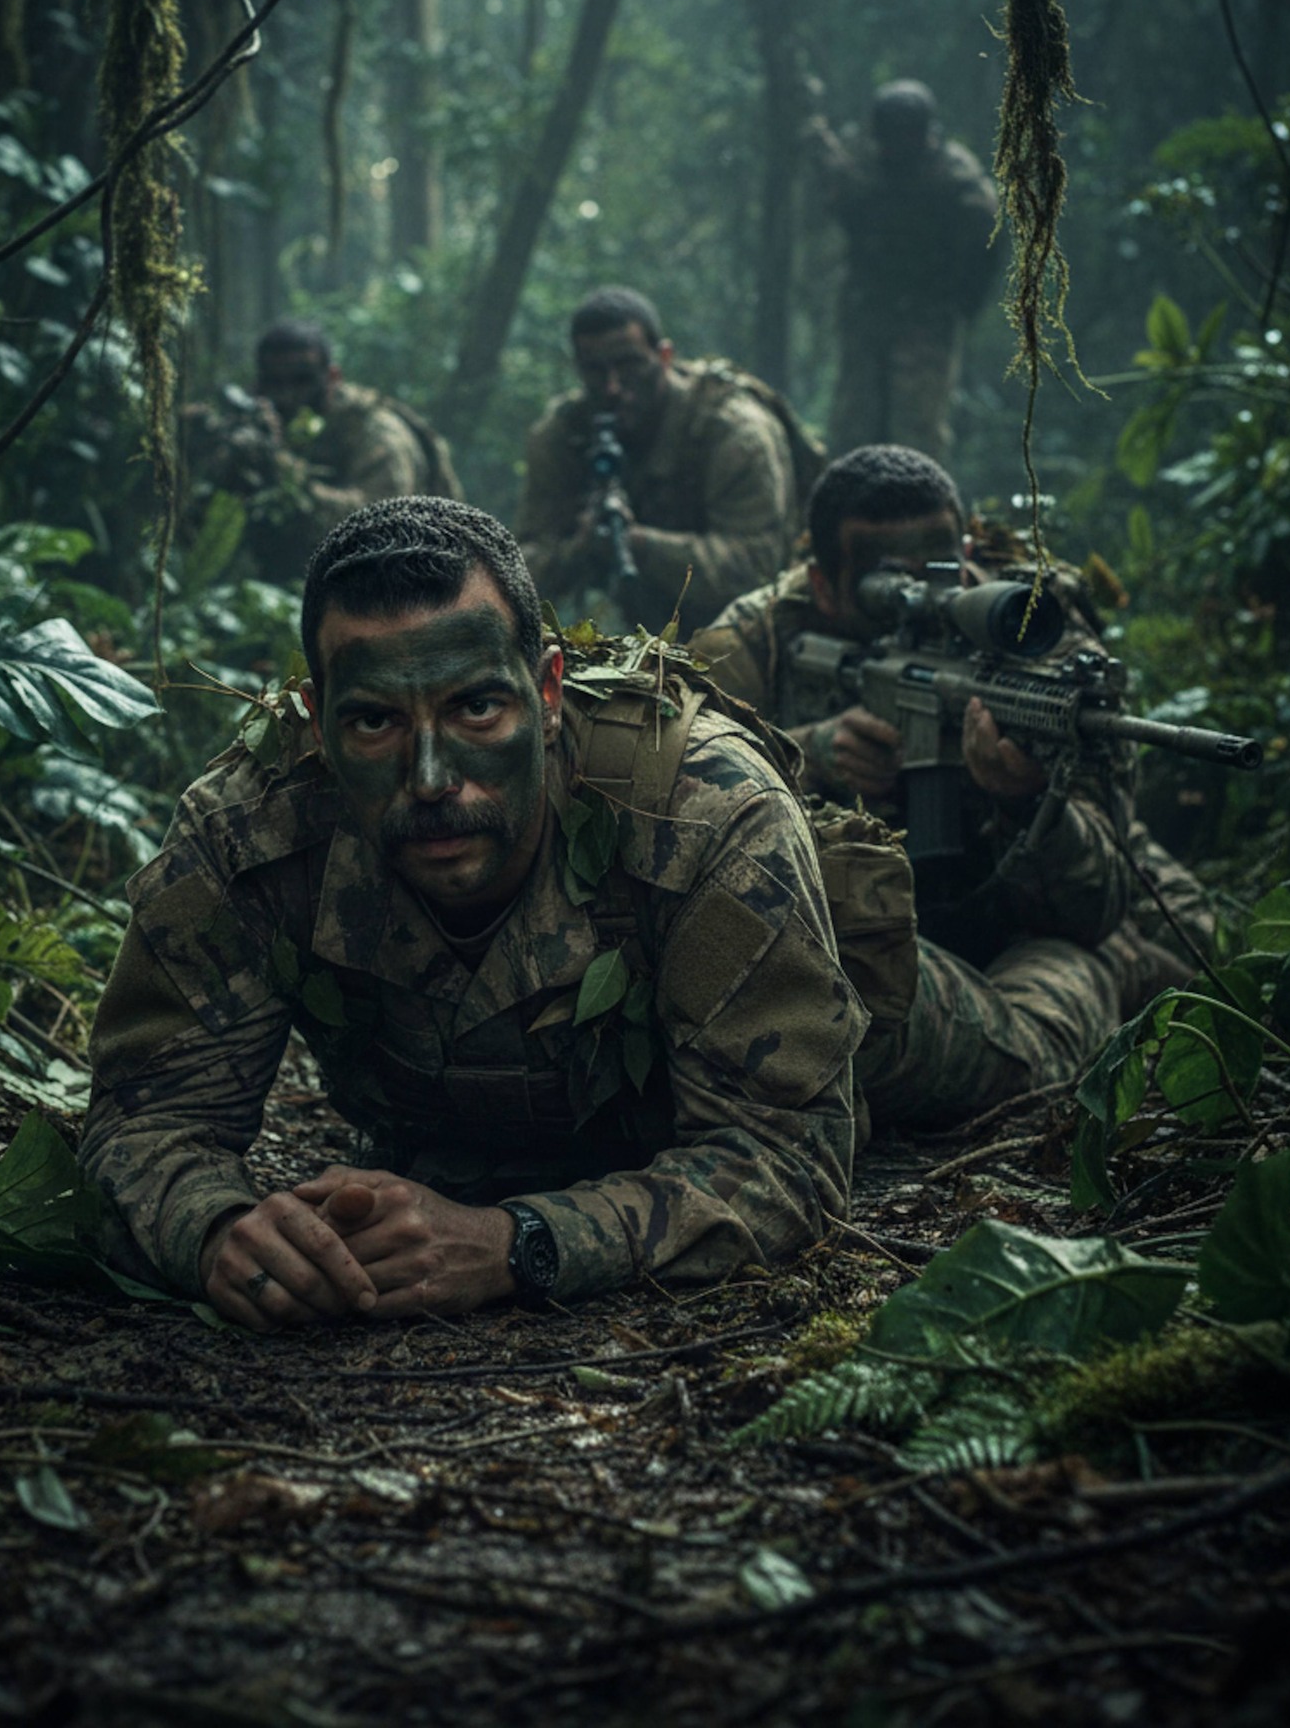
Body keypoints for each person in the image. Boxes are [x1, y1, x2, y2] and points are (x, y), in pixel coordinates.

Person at [79, 498, 869, 1327]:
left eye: (475, 709)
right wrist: (218, 1232)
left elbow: (789, 1158)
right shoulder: (248, 833)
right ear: (317, 725)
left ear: (548, 692)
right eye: (376, 721)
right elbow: (140, 1128)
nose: (429, 779)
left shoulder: (703, 812)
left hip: (840, 1003)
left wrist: (517, 1244)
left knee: (1009, 1039)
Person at [690, 444, 1216, 1116]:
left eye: (938, 570)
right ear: (821, 584)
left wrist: (1025, 797)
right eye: (885, 585)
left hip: (1038, 900)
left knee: (1209, 965)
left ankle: (1126, 979)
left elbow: (1093, 906)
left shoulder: (1033, 632)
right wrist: (806, 756)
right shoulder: (752, 640)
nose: (919, 600)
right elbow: (679, 806)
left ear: (965, 550)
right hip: (871, 924)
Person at [515, 286, 814, 638]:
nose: (612, 387)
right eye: (595, 370)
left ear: (665, 356)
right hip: (630, 634)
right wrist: (578, 549)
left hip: (741, 643)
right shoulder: (562, 436)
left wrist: (640, 544)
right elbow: (521, 572)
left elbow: (757, 570)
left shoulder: (734, 432)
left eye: (629, 365)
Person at [185, 322, 462, 583]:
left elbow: (380, 528)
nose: (287, 395)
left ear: (332, 377)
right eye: (274, 382)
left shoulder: (376, 432)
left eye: (302, 380)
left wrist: (280, 468)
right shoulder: (264, 424)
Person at [810, 81, 999, 463]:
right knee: (854, 426)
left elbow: (985, 242)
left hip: (926, 318)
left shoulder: (953, 178)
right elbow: (843, 197)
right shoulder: (866, 163)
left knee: (917, 431)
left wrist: (961, 303)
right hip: (868, 311)